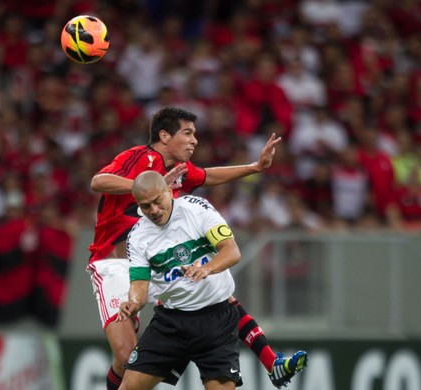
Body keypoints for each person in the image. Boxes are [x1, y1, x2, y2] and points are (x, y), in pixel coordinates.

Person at [87, 106, 306, 389]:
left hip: (155, 266)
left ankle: (271, 361)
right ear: (164, 136)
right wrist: (146, 187)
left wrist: (255, 167)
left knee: (215, 296)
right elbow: (98, 181)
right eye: (187, 133)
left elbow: (207, 176)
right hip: (115, 264)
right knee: (126, 356)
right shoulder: (139, 157)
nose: (194, 141)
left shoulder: (180, 172)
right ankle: (270, 361)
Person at [116, 171, 307, 390]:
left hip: (216, 321)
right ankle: (272, 362)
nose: (154, 210)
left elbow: (231, 251)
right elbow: (139, 284)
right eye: (146, 206)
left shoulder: (197, 210)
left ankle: (272, 362)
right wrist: (133, 302)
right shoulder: (138, 236)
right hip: (171, 323)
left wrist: (207, 269)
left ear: (169, 191)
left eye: (157, 201)